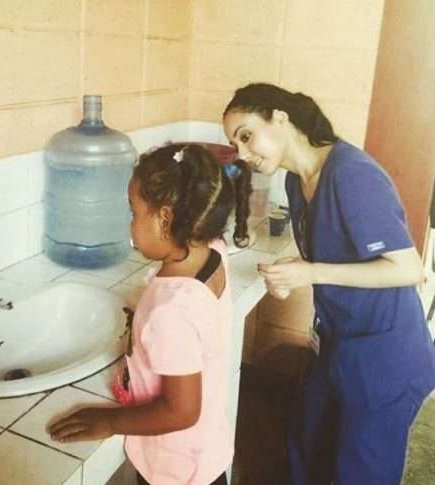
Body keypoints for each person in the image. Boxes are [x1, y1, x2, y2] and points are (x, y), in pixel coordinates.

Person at [222, 83, 435, 485]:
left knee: (362, 470)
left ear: (280, 118)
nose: (243, 154)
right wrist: (293, 277)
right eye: (236, 145)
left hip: (385, 353)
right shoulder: (295, 182)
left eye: (246, 136)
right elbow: (331, 257)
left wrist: (311, 272)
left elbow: (409, 270)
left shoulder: (352, 175)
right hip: (337, 342)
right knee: (307, 447)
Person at [47, 143, 251, 485]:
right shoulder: (213, 251)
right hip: (204, 453)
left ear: (165, 219)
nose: (130, 225)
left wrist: (109, 421)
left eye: (133, 212)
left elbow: (181, 410)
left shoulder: (170, 310)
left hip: (175, 471)